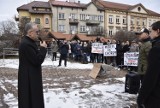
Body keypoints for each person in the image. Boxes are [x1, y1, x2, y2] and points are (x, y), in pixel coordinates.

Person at [18, 22, 47, 108]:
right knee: (30, 100)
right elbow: (37, 60)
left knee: (31, 99)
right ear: (30, 32)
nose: (38, 34)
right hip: (29, 78)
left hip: (30, 75)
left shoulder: (29, 42)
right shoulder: (26, 44)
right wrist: (43, 49)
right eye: (37, 32)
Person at [137, 21, 160, 108]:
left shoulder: (156, 49)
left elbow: (151, 77)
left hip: (156, 96)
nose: (150, 34)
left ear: (158, 31)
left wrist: (141, 98)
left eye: (151, 31)